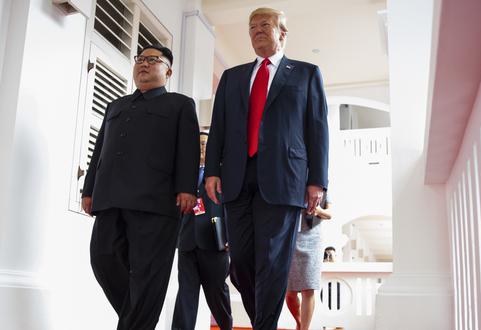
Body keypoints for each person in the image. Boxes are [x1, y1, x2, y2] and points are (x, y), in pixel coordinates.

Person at [204, 7, 329, 330]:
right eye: (252, 27)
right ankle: (264, 320)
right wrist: (213, 170)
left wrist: (317, 181)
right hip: (236, 177)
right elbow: (218, 127)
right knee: (241, 264)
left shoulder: (306, 73)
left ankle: (264, 326)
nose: (257, 31)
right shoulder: (233, 77)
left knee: (273, 262)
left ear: (282, 33)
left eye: (265, 25)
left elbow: (317, 130)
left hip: (285, 179)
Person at [81, 44, 200, 330]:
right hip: (110, 198)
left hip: (156, 202)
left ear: (168, 71)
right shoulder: (116, 105)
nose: (143, 64)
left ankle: (135, 323)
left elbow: (188, 148)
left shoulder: (180, 105)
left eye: (152, 60)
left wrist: (187, 188)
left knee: (148, 273)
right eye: (140, 59)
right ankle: (138, 321)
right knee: (102, 258)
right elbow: (99, 150)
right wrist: (89, 189)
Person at [172, 132, 233, 330]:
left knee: (217, 294)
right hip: (187, 241)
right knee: (186, 296)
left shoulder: (223, 176)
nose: (203, 149)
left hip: (215, 241)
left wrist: (230, 237)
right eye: (199, 145)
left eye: (206, 145)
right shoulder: (182, 175)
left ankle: (226, 327)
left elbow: (232, 207)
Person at [286, 192, 332, 330]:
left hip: (313, 239)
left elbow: (330, 214)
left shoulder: (322, 189)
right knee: (290, 293)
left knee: (308, 288)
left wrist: (317, 210)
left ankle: (305, 328)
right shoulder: (290, 183)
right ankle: (299, 322)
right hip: (289, 237)